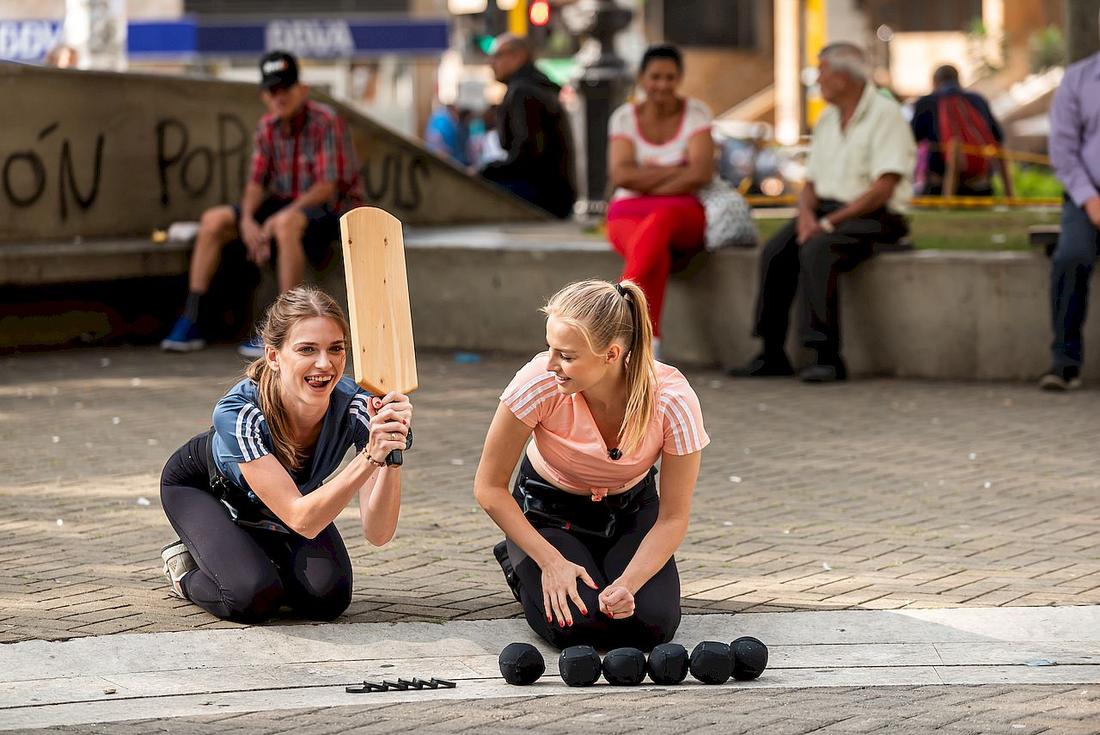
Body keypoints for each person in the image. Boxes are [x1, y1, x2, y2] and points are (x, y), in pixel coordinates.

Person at [474, 279, 708, 651]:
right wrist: (551, 562)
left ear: (611, 354)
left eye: (566, 355)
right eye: (549, 348)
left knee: (650, 627)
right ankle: (519, 559)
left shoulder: (672, 398)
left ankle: (605, 569)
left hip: (631, 513)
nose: (550, 364)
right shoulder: (539, 381)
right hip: (548, 512)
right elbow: (488, 487)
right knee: (577, 629)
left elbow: (673, 517)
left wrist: (628, 584)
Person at [158, 287, 412, 622]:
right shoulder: (239, 411)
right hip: (204, 489)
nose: (325, 363)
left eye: (336, 349)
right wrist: (368, 457)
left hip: (289, 500)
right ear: (274, 356)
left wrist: (388, 451)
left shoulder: (359, 406)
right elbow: (301, 518)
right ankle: (184, 569)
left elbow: (378, 533)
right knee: (254, 597)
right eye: (307, 349)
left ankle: (251, 552)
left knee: (328, 599)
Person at [161, 51, 364, 359]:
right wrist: (247, 222)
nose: (279, 97)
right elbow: (256, 184)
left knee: (285, 223)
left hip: (332, 208)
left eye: (285, 88)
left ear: (302, 89)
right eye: (272, 91)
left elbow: (326, 187)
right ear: (264, 96)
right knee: (214, 220)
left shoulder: (325, 121)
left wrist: (277, 218)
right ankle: (193, 318)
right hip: (286, 203)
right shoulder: (267, 127)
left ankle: (284, 327)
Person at [731, 43, 914, 383]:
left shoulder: (885, 114)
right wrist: (805, 217)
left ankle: (826, 355)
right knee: (775, 251)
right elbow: (812, 182)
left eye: (822, 71)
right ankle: (771, 352)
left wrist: (829, 223)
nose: (818, 79)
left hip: (877, 214)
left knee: (818, 249)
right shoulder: (828, 118)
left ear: (844, 77)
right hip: (829, 209)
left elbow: (883, 187)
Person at [606, 44, 714, 356]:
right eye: (655, 77)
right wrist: (675, 171)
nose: (662, 85)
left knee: (660, 221)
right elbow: (622, 175)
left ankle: (613, 316)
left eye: (670, 77)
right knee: (656, 253)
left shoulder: (697, 114)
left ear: (679, 78)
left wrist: (647, 178)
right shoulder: (624, 118)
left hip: (682, 211)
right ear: (641, 79)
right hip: (627, 210)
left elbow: (701, 172)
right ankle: (650, 348)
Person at [1043, 46, 1100, 390]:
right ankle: (1064, 363)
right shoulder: (1079, 78)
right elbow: (1063, 150)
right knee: (1071, 258)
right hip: (1087, 196)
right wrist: (1091, 200)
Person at [479, 34, 576, 219]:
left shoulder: (523, 91)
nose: (491, 63)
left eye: (498, 56)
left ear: (519, 57)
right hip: (556, 193)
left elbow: (528, 152)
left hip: (541, 193)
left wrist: (486, 171)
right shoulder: (537, 86)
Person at [910, 64, 1013, 197]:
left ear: (934, 82)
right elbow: (998, 143)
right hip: (979, 187)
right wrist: (1009, 193)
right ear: (959, 80)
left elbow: (911, 143)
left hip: (939, 188)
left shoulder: (926, 103)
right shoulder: (978, 100)